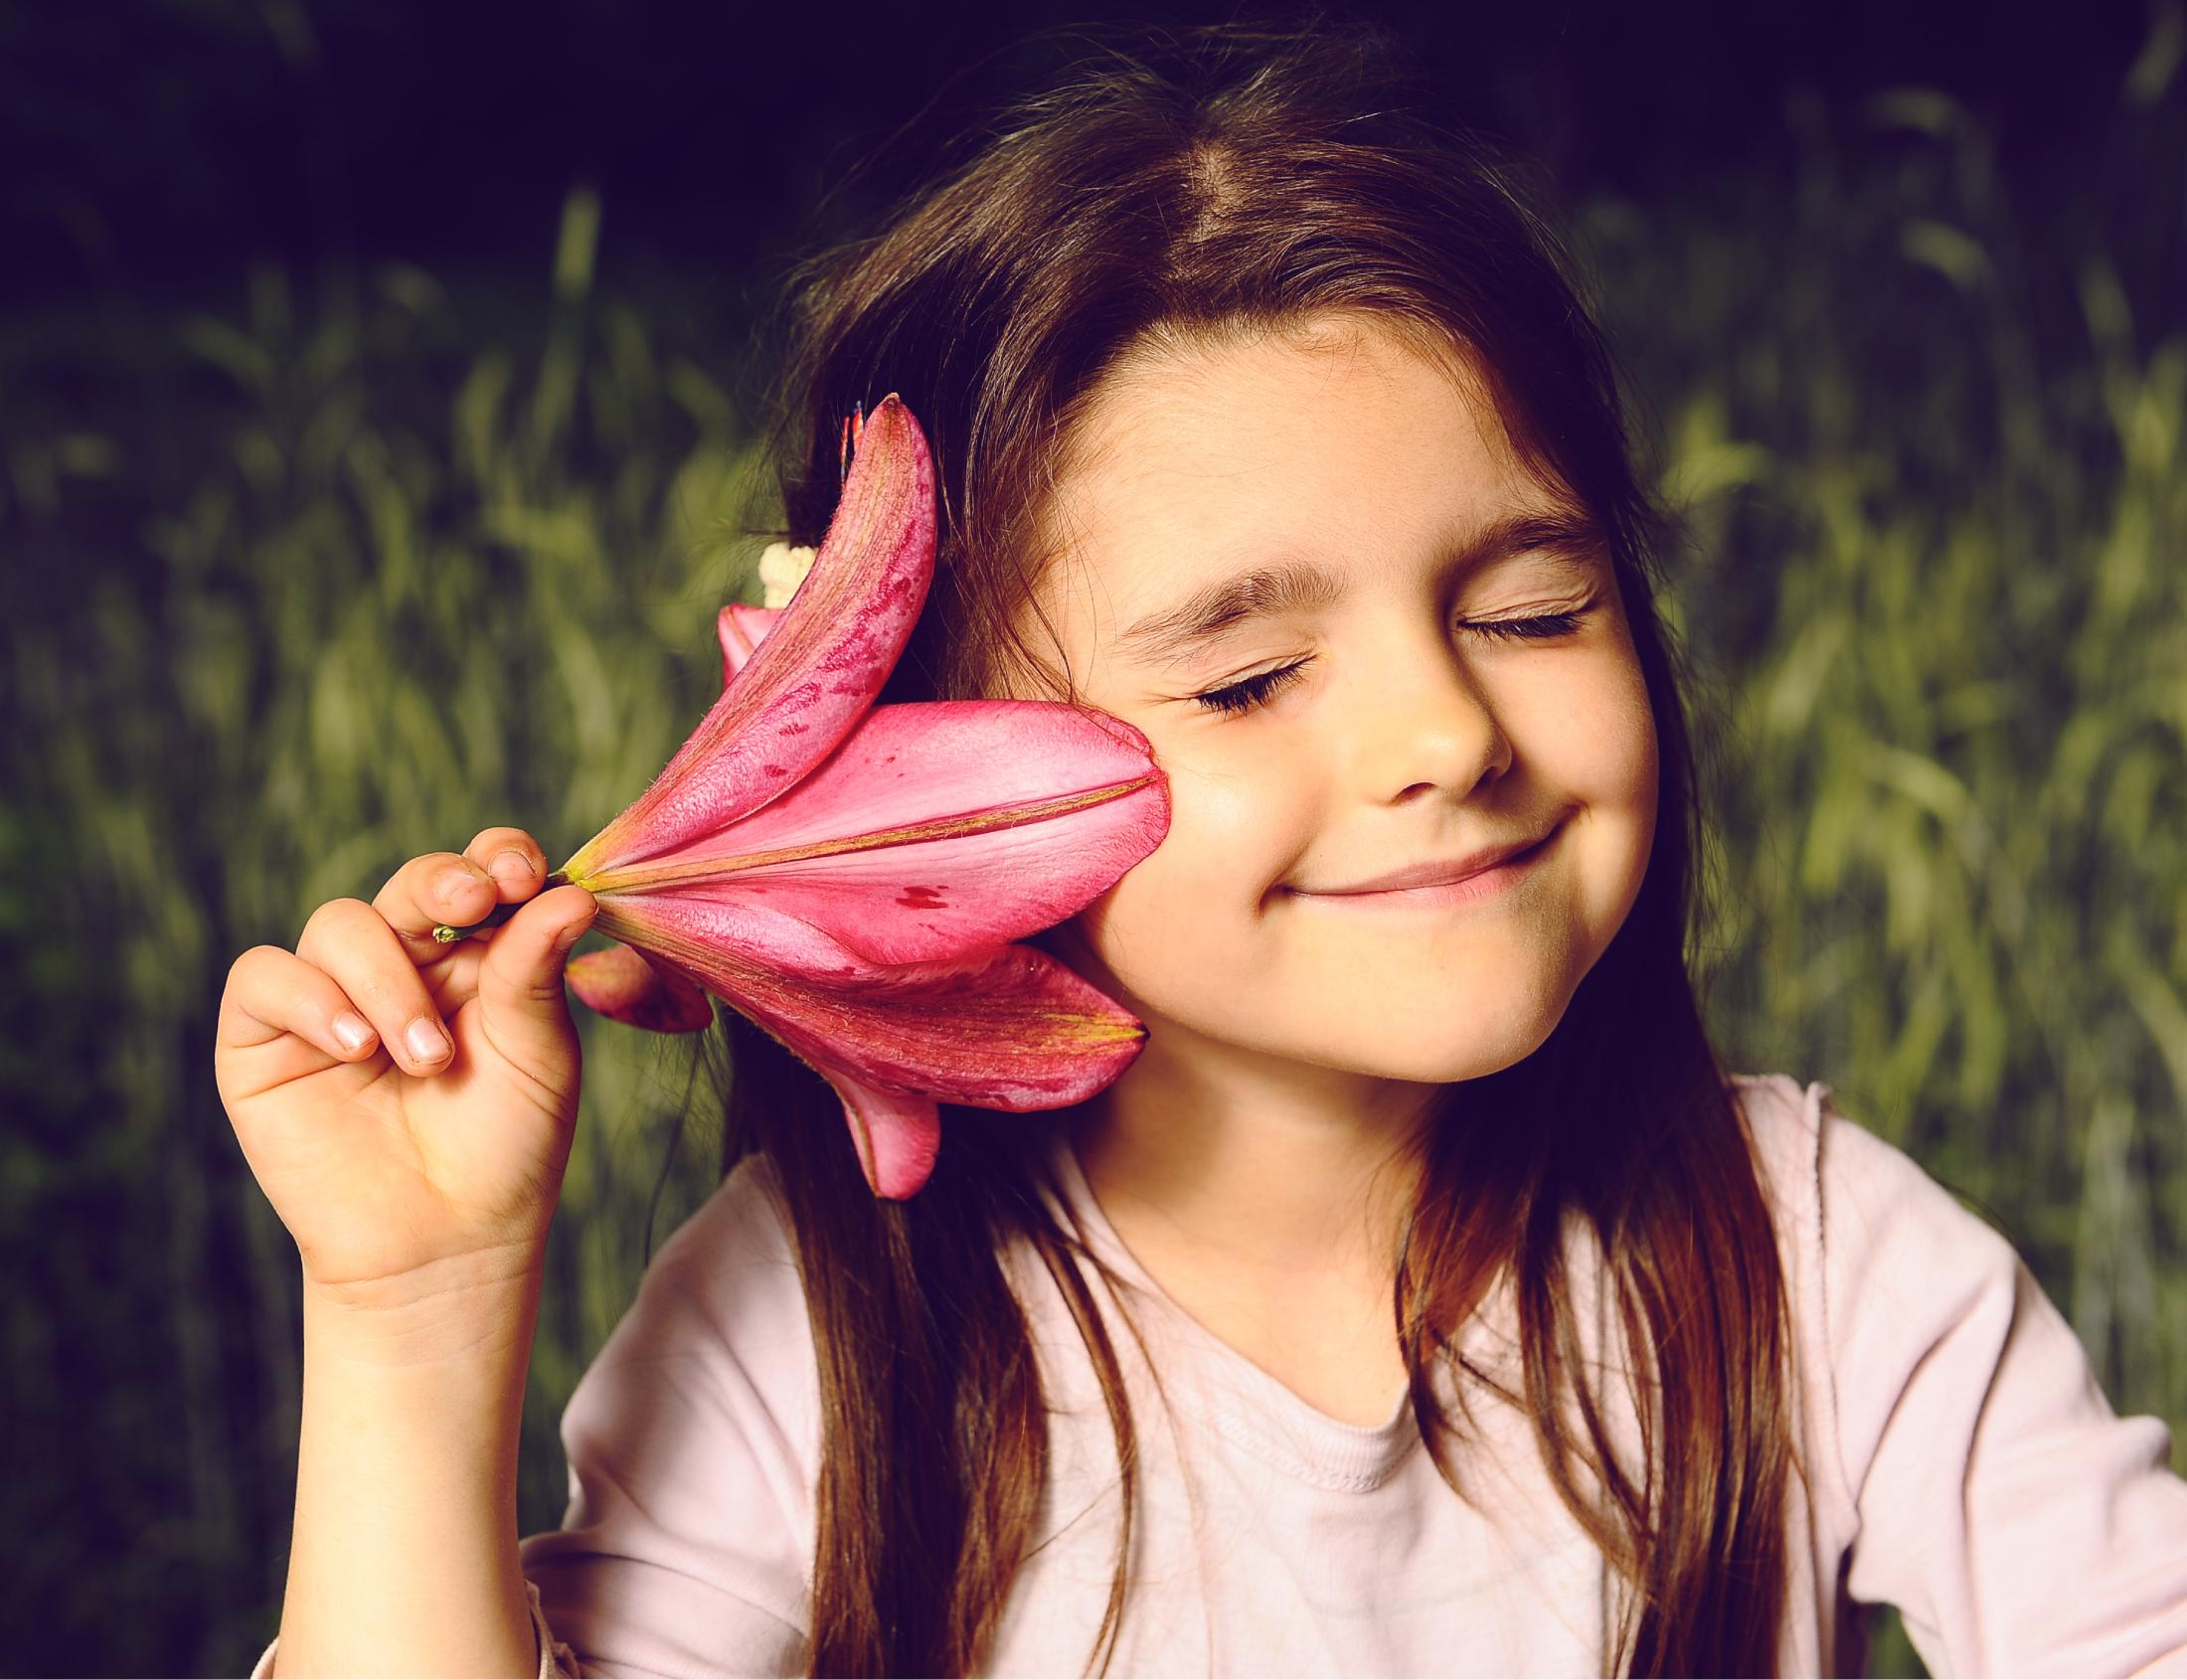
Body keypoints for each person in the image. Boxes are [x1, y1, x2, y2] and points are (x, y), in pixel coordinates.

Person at [218, 20, 2187, 1678]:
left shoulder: (1811, 1257)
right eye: (1247, 676)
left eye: (1527, 605)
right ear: (924, 786)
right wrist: (412, 1305)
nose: (1441, 734)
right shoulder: (812, 1340)